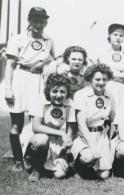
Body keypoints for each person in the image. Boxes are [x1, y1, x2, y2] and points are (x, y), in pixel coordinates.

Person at [4, 6, 55, 172]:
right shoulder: (18, 38)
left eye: (41, 20)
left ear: (46, 22)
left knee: (36, 124)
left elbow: (54, 59)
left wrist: (46, 63)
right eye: (35, 20)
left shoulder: (49, 40)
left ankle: (32, 157)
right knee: (17, 125)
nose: (38, 24)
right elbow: (10, 65)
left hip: (38, 81)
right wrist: (8, 89)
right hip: (20, 78)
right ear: (29, 21)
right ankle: (18, 160)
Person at [19, 74, 74, 182]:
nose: (58, 95)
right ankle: (36, 168)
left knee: (59, 174)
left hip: (57, 141)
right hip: (38, 136)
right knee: (41, 140)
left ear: (67, 92)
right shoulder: (40, 100)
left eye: (62, 91)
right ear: (48, 91)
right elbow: (36, 126)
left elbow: (70, 130)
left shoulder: (70, 104)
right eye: (55, 91)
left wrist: (64, 150)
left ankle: (51, 161)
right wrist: (61, 134)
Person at [71, 63, 115, 180]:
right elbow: (81, 123)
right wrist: (93, 145)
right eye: (97, 79)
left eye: (104, 79)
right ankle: (78, 165)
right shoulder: (81, 94)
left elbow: (113, 117)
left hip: (101, 136)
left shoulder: (109, 94)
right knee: (88, 157)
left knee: (104, 175)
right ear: (90, 79)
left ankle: (93, 166)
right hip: (84, 136)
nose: (101, 82)